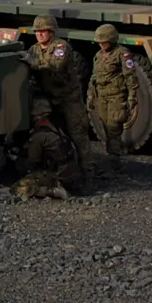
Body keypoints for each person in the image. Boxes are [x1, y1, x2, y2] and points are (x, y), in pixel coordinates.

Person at [24, 14, 94, 193]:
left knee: (78, 135)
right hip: (49, 100)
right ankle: (60, 174)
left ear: (51, 32)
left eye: (44, 31)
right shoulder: (34, 50)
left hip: (68, 99)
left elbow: (54, 65)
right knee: (54, 137)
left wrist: (33, 63)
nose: (40, 34)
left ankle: (89, 176)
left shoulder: (61, 47)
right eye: (37, 31)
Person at [88, 23, 139, 177]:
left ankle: (115, 165)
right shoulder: (98, 55)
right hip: (102, 96)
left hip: (117, 96)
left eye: (104, 41)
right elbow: (94, 77)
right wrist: (91, 95)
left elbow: (130, 76)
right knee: (104, 126)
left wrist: (132, 96)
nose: (101, 44)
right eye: (99, 42)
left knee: (114, 128)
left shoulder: (122, 54)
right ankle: (110, 160)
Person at [13, 96, 81, 200]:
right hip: (73, 173)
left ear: (37, 116)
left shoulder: (38, 136)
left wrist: (17, 161)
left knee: (21, 186)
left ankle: (53, 191)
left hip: (61, 176)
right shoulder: (55, 127)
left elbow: (32, 162)